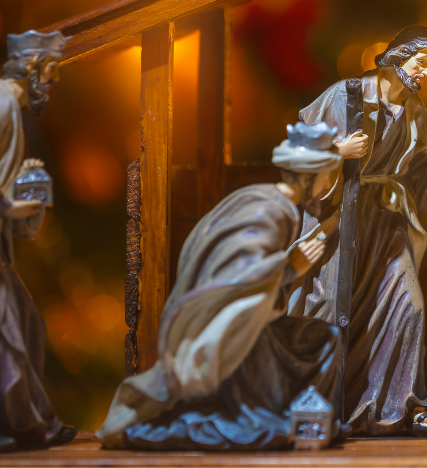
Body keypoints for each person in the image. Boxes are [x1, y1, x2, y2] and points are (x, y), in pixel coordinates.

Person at [97, 123, 345, 450]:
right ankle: (150, 432)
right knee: (259, 424)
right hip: (233, 335)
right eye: (325, 178)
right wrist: (290, 268)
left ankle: (305, 417)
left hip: (253, 322)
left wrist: (286, 268)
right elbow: (238, 279)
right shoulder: (270, 211)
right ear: (307, 177)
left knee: (326, 338)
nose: (326, 186)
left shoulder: (270, 202)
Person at [290, 25, 427, 436]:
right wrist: (337, 152)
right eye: (421, 62)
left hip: (387, 224)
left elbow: (422, 171)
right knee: (329, 307)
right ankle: (316, 406)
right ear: (397, 58)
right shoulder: (346, 96)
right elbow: (297, 154)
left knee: (408, 304)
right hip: (340, 220)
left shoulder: (413, 110)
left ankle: (402, 404)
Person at [0, 30, 76, 451]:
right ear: (31, 69)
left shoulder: (12, 110)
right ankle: (24, 427)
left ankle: (32, 422)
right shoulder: (1, 105)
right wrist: (9, 206)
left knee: (27, 322)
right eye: (49, 72)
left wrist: (28, 191)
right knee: (9, 335)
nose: (52, 82)